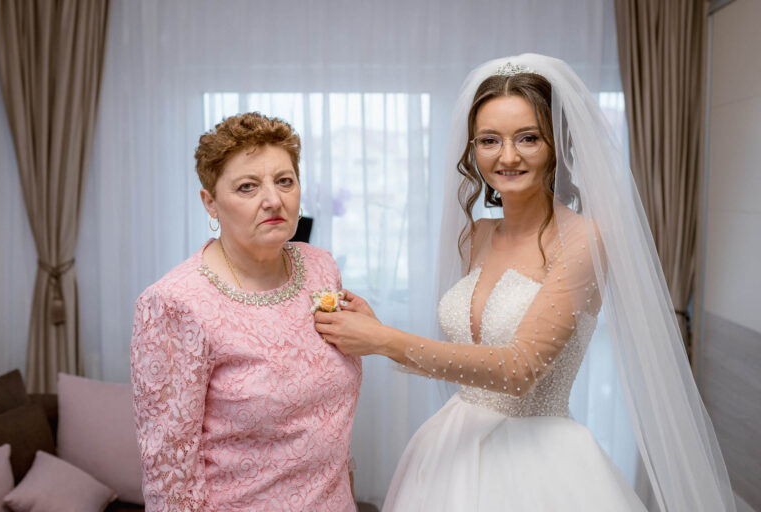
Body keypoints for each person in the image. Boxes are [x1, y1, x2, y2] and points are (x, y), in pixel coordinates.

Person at [315, 54, 736, 511]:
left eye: (528, 138)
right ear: (472, 150)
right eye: (489, 140)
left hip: (539, 464)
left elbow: (519, 370)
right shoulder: (476, 235)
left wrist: (383, 340)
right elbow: (473, 348)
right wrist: (375, 327)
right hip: (451, 448)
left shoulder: (583, 239)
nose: (508, 156)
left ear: (556, 146)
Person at [131, 112, 361, 511]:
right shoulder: (174, 303)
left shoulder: (321, 267)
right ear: (210, 202)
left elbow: (328, 429)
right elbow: (170, 477)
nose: (273, 200)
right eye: (247, 187)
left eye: (284, 181)